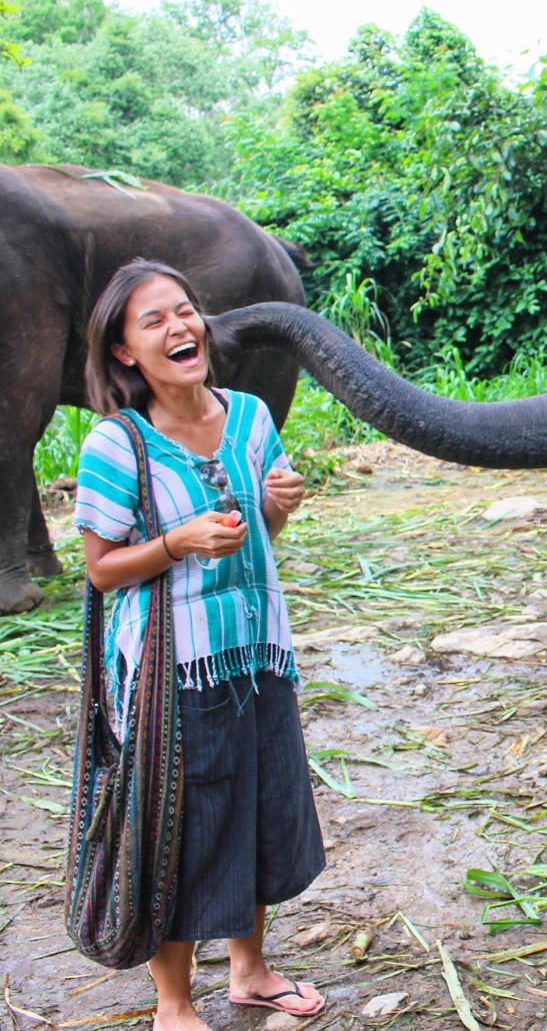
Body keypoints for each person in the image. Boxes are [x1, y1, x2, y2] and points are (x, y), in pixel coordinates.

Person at [74, 259, 326, 1029]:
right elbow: (102, 569)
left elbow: (258, 536)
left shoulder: (250, 417)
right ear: (124, 353)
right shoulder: (120, 446)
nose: (180, 328)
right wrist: (175, 543)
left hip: (255, 652)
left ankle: (249, 971)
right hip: (170, 672)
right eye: (154, 322)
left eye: (184, 312)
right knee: (179, 829)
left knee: (255, 807)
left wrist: (279, 507)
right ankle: (174, 1002)